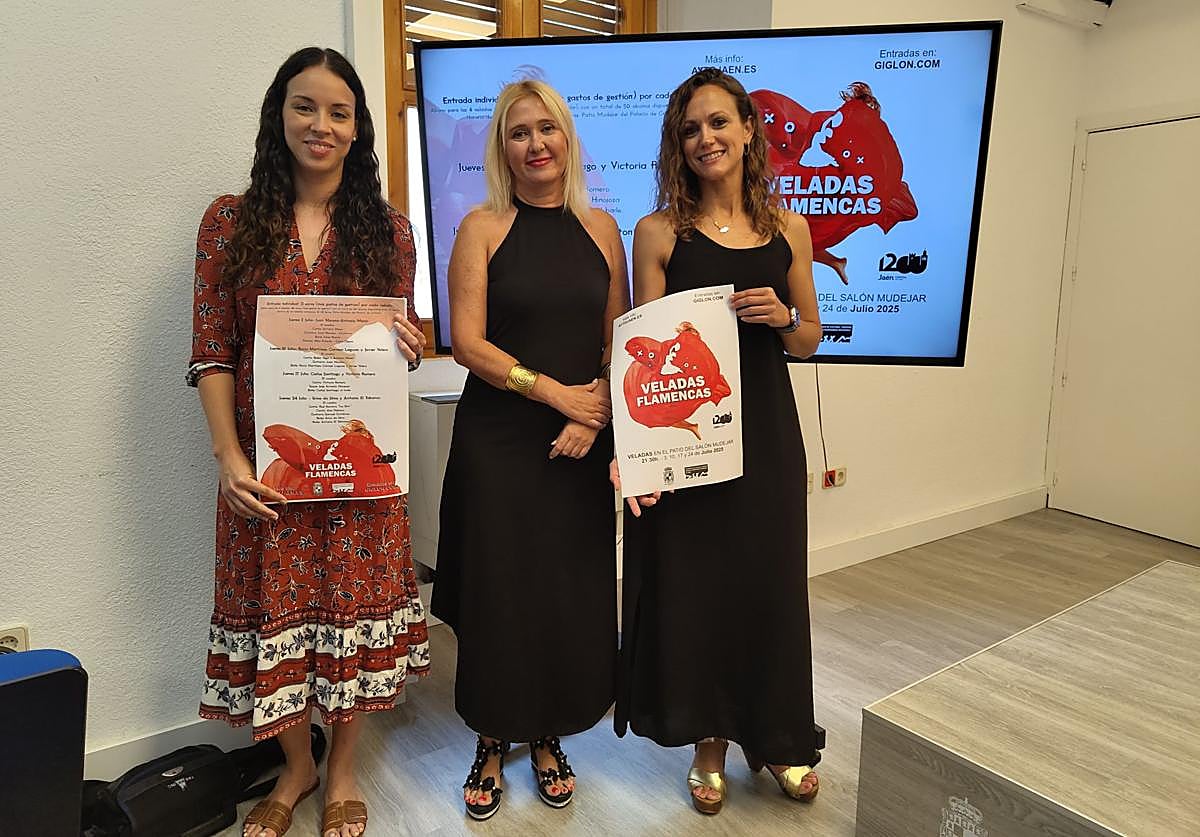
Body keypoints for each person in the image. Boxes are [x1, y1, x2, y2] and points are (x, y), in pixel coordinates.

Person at [188, 47, 429, 837]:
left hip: (358, 472)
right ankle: (296, 767)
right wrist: (230, 457)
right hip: (272, 470)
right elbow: (214, 349)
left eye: (339, 111)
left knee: (353, 612)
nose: (320, 125)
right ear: (277, 115)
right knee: (274, 615)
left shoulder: (389, 231)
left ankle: (346, 769)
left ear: (359, 130)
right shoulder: (229, 222)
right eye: (304, 106)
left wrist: (409, 342)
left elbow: (398, 343)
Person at [613, 67, 824, 815]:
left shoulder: (788, 228)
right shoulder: (659, 232)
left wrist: (783, 318)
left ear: (746, 131)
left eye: (718, 124)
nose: (706, 138)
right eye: (691, 129)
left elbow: (809, 341)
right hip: (693, 438)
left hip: (767, 433)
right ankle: (709, 741)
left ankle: (775, 738)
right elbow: (646, 343)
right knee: (701, 589)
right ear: (680, 145)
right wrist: (638, 457)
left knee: (768, 587)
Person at [431, 79, 628, 821]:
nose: (536, 143)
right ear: (501, 148)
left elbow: (618, 338)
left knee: (560, 593)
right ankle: (491, 738)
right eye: (519, 132)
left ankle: (545, 735)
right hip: (500, 444)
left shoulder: (604, 228)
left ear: (568, 138)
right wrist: (557, 395)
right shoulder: (481, 226)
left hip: (581, 442)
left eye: (548, 129)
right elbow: (470, 345)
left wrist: (595, 410)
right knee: (499, 593)